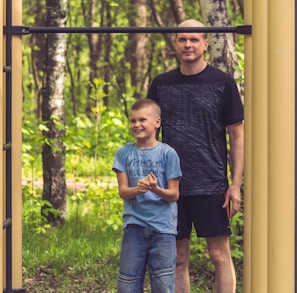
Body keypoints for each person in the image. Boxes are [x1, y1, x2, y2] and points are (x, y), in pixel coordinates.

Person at [146, 19, 244, 293]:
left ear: (205, 44)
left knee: (219, 256)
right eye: (182, 39)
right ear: (176, 43)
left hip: (212, 184)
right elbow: (148, 134)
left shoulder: (222, 82)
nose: (187, 44)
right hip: (170, 186)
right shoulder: (161, 84)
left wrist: (234, 185)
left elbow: (237, 134)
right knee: (178, 258)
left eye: (193, 39)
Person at [112, 99, 182, 293]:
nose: (137, 125)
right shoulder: (124, 153)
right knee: (128, 284)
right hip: (134, 227)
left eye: (142, 119)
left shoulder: (169, 154)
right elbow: (123, 192)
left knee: (163, 285)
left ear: (157, 122)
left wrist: (155, 189)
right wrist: (139, 188)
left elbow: (174, 194)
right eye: (133, 121)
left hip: (163, 229)